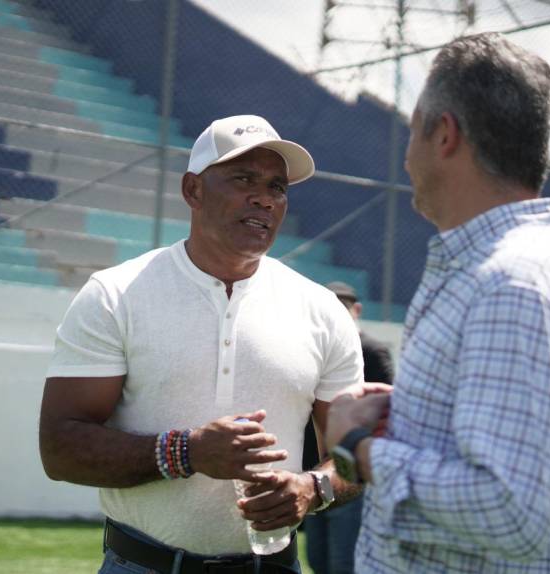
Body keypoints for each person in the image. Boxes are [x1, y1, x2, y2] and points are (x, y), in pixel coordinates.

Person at [324, 33, 550, 573]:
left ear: (444, 134)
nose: (406, 153)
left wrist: (360, 448)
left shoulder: (514, 284)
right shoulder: (511, 269)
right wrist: (413, 412)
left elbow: (510, 513)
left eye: (412, 129)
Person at [40, 115, 368, 574]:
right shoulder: (116, 293)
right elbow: (59, 448)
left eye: (278, 187)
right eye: (243, 178)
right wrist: (186, 452)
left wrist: (314, 489)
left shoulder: (322, 309)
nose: (264, 198)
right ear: (193, 190)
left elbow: (355, 453)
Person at [302, 282, 393, 574]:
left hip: (351, 470)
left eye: (341, 307)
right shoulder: (309, 346)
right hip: (312, 469)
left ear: (356, 310)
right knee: (317, 558)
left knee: (343, 562)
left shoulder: (372, 350)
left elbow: (385, 406)